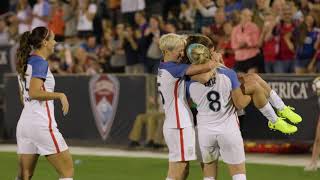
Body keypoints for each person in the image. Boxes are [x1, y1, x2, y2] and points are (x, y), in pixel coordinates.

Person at [185, 34, 300, 134]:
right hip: (222, 100)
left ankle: (282, 108)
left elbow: (227, 75)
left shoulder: (205, 62)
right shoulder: (194, 67)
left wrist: (219, 63)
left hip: (224, 92)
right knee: (255, 86)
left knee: (254, 77)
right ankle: (274, 121)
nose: (214, 52)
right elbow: (209, 77)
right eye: (211, 50)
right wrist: (215, 62)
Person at [15, 26, 73, 180]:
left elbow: (24, 97)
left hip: (24, 124)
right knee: (67, 173)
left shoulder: (24, 62)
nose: (55, 42)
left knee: (24, 177)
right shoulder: (40, 63)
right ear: (45, 42)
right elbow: (34, 93)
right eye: (53, 39)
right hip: (41, 124)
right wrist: (60, 95)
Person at [158, 33, 216, 180]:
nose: (182, 53)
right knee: (179, 170)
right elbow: (206, 70)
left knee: (182, 171)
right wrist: (214, 58)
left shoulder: (165, 66)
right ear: (166, 51)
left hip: (175, 123)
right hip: (179, 124)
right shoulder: (174, 69)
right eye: (179, 50)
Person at [186, 43, 249, 180]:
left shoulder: (187, 81)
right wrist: (251, 94)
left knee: (209, 174)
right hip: (228, 130)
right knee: (238, 172)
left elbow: (189, 103)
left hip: (205, 131)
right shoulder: (228, 73)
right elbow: (239, 104)